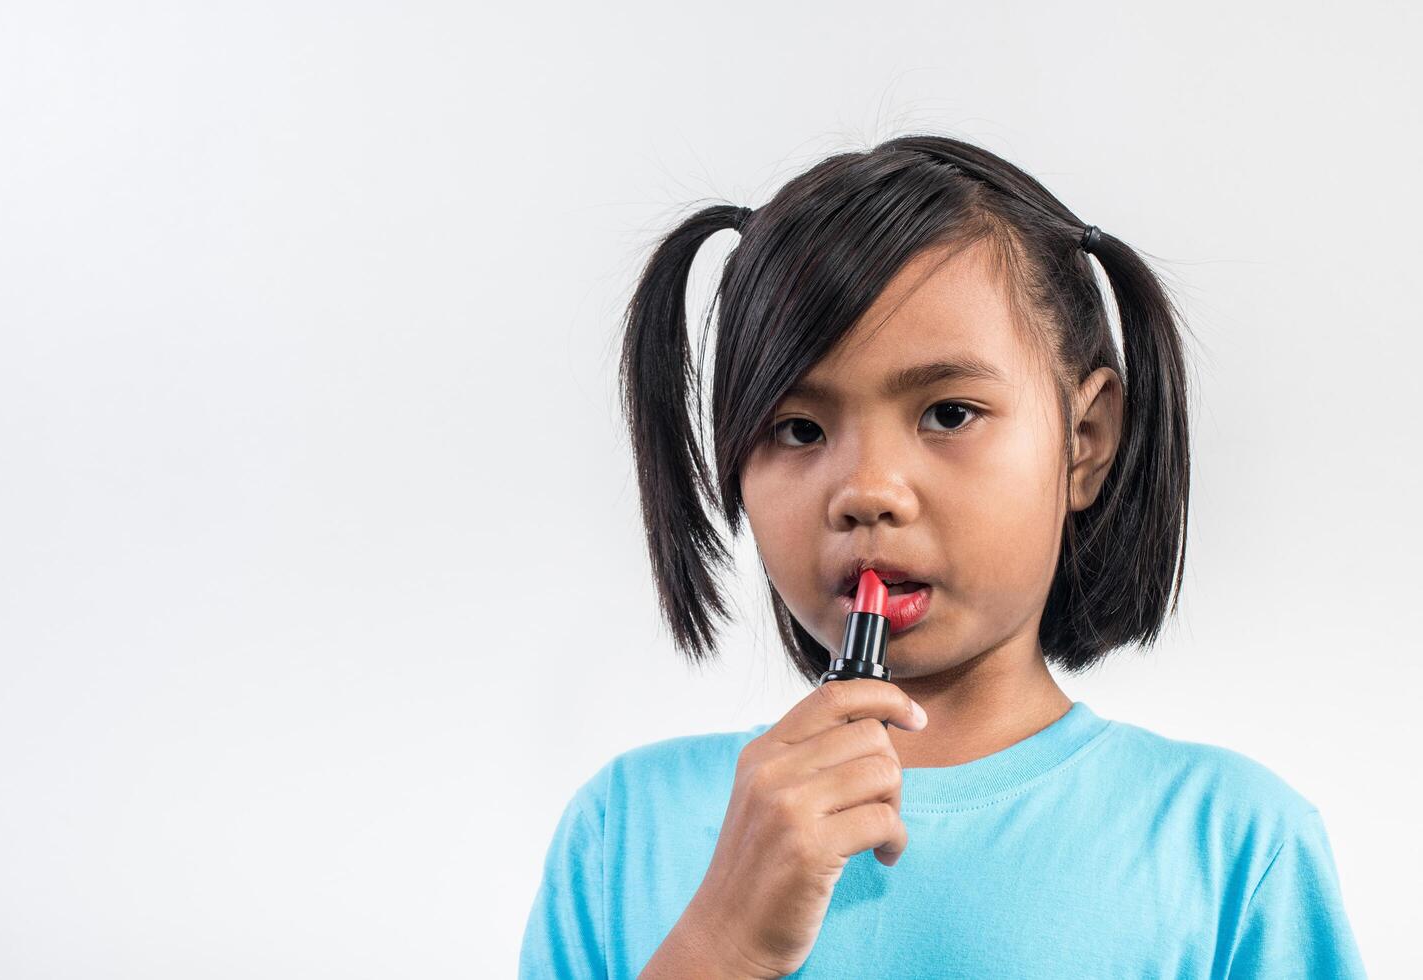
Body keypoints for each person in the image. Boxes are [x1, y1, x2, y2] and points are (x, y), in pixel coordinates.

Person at [518, 134, 1367, 978]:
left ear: (1083, 441)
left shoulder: (1232, 850)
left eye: (948, 414)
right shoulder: (622, 833)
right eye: (797, 429)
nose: (867, 491)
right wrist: (722, 945)